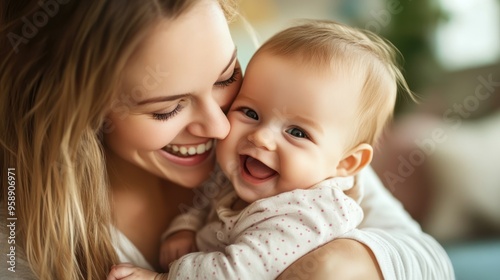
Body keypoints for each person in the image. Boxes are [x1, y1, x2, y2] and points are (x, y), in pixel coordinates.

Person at [0, 0, 454, 280]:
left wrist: (342, 264)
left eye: (226, 77)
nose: (222, 128)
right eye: (167, 108)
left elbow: (434, 264)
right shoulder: (21, 229)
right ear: (76, 110)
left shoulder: (309, 162)